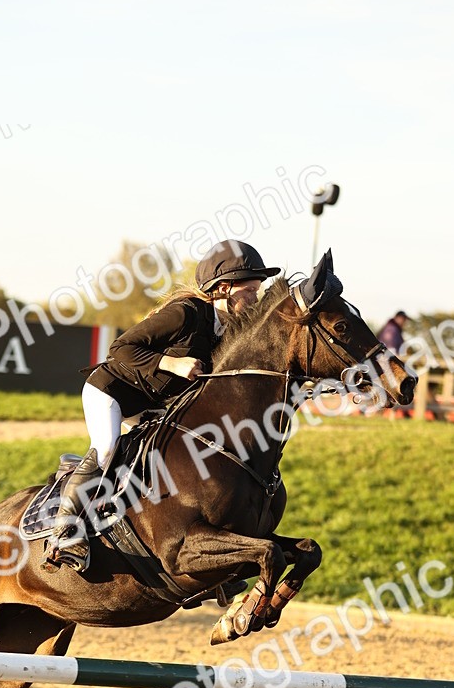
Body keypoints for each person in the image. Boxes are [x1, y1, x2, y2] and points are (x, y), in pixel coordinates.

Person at [46, 239, 281, 572]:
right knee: (107, 448)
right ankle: (64, 533)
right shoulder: (185, 313)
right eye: (251, 290)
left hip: (152, 404)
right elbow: (121, 347)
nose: (256, 298)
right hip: (112, 391)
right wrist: (173, 364)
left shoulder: (227, 333)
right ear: (224, 288)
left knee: (167, 461)